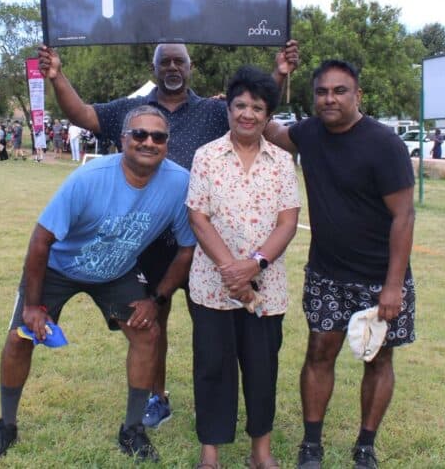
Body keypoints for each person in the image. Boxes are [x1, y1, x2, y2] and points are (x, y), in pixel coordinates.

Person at [37, 40, 298, 430]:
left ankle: (213, 406)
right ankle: (157, 398)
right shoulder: (133, 110)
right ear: (154, 66)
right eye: (166, 62)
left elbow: (253, 107)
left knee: (210, 326)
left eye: (180, 61)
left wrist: (279, 71)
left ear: (190, 67)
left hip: (204, 245)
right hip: (147, 241)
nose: (173, 67)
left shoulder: (212, 109)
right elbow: (83, 115)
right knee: (152, 319)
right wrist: (57, 76)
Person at [0, 106, 197, 462]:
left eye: (158, 136)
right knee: (21, 337)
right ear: (123, 140)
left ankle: (132, 429)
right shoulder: (89, 177)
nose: (149, 142)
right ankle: (6, 424)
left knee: (147, 333)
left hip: (116, 270)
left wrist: (155, 299)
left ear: (167, 144)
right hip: (58, 268)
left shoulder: (179, 181)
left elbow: (187, 248)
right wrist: (33, 307)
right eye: (139, 134)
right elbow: (40, 241)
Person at [264, 60, 415, 469]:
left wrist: (393, 286)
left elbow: (404, 216)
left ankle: (365, 444)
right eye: (322, 92)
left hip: (379, 276)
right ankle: (311, 445)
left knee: (378, 357)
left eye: (339, 91)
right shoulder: (309, 133)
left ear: (357, 95)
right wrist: (274, 78)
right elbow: (269, 129)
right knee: (319, 351)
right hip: (327, 273)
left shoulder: (384, 144)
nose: (329, 98)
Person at [186, 66, 300, 469]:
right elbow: (198, 217)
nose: (247, 113)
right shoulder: (207, 156)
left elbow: (288, 221)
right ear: (229, 109)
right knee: (212, 369)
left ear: (268, 116)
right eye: (240, 105)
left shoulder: (282, 162)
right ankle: (210, 453)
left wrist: (253, 265)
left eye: (257, 107)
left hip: (265, 291)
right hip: (211, 287)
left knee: (261, 370)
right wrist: (231, 271)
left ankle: (260, 453)